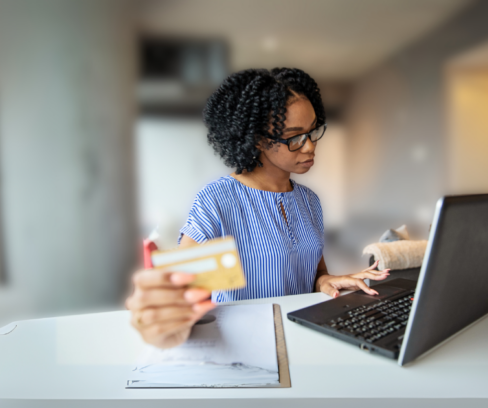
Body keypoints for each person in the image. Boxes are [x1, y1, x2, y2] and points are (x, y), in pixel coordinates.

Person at [126, 68, 390, 348]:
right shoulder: (217, 199)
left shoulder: (309, 201)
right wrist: (158, 321)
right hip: (248, 348)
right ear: (259, 140)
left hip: (306, 340)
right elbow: (181, 295)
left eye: (313, 130)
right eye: (295, 137)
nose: (310, 146)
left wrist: (327, 281)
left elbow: (312, 272)